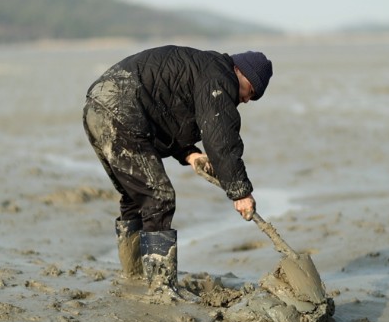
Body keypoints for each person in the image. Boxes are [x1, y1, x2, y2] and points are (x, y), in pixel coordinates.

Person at [82, 45, 273, 295]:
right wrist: (240, 192)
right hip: (121, 108)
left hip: (97, 105)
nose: (247, 99)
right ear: (240, 71)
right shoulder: (220, 76)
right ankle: (161, 289)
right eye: (251, 91)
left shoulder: (201, 68)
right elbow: (221, 139)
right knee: (159, 197)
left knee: (136, 196)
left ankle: (134, 275)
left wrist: (188, 153)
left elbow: (162, 117)